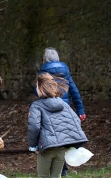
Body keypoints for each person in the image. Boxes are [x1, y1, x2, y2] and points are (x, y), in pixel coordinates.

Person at [36, 47, 86, 176]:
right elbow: (75, 92)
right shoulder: (65, 72)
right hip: (64, 109)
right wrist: (80, 111)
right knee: (63, 139)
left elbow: (37, 91)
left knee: (53, 139)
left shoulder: (43, 73)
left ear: (45, 59)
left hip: (48, 111)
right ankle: (62, 169)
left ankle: (54, 168)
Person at [28, 73, 88, 178]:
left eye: (37, 85)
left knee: (43, 176)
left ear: (40, 88)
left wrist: (33, 146)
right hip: (61, 149)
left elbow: (34, 126)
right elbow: (76, 121)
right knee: (57, 176)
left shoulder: (36, 106)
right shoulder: (64, 104)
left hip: (46, 149)